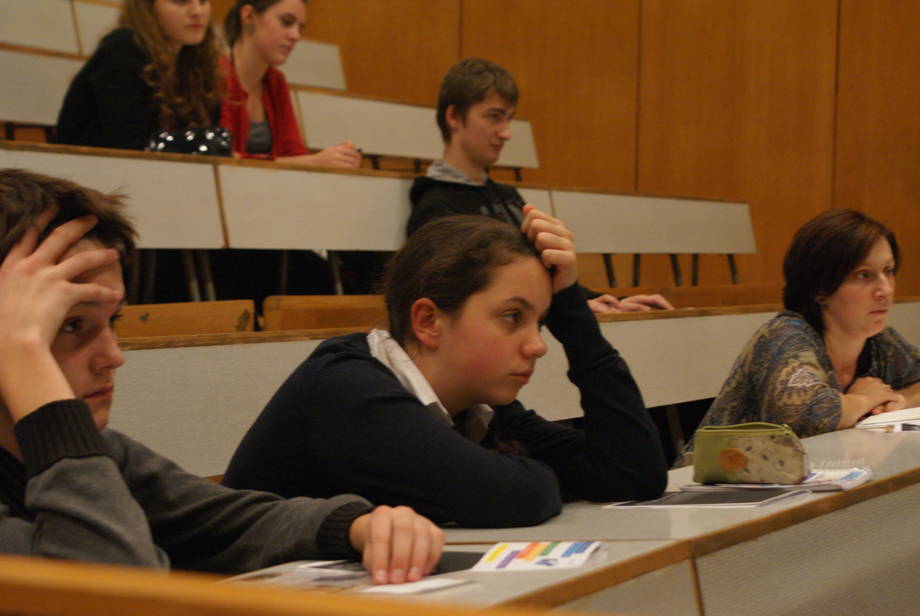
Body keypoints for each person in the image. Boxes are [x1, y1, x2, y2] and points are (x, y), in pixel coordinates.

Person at [0, 169, 443, 584]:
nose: (113, 356)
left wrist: (357, 526)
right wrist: (36, 379)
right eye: (70, 324)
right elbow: (121, 593)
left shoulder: (103, 452)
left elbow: (228, 523)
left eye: (113, 320)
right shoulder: (74, 448)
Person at [223, 208, 668, 528]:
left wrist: (571, 307)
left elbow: (633, 473)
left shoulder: (479, 409)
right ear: (428, 321)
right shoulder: (347, 389)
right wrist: (539, 474)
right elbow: (514, 497)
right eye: (512, 316)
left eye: (542, 321)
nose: (537, 346)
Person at [407, 57, 674, 314]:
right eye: (494, 116)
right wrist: (572, 309)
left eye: (509, 118)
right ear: (454, 117)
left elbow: (545, 276)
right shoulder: (436, 206)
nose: (506, 132)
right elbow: (465, 304)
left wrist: (609, 302)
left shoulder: (508, 195)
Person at [676, 209, 919, 465]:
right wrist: (865, 398)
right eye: (864, 275)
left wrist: (898, 400)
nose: (886, 289)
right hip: (714, 482)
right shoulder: (784, 337)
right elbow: (809, 418)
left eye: (888, 270)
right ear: (820, 288)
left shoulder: (881, 341)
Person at [56, 0, 224, 150]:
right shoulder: (123, 48)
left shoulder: (196, 63)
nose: (197, 12)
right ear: (147, 7)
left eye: (203, 1)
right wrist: (210, 142)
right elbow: (128, 144)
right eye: (180, 1)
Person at [220, 0, 361, 167]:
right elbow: (221, 158)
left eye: (300, 28)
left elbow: (294, 154)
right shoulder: (216, 76)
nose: (296, 36)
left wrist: (338, 159)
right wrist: (316, 161)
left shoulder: (276, 82)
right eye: (286, 22)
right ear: (248, 16)